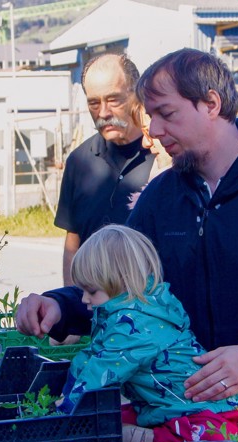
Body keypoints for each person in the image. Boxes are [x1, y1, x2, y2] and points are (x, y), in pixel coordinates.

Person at [18, 48, 238, 433]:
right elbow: (124, 286)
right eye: (150, 115)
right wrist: (59, 306)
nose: (153, 130)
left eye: (166, 114)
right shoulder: (161, 198)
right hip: (211, 421)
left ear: (211, 103)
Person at [60, 225, 238, 442]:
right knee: (109, 417)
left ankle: (144, 441)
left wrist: (66, 409)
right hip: (166, 407)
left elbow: (102, 370)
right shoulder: (127, 310)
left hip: (208, 416)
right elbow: (94, 353)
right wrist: (72, 381)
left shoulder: (136, 324)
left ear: (122, 281)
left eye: (92, 291)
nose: (85, 299)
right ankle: (144, 435)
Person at [55, 53, 162, 287]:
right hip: (93, 311)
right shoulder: (78, 162)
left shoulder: (163, 156)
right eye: (94, 103)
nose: (103, 113)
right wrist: (71, 299)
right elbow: (73, 240)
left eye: (113, 100)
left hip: (150, 312)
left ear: (138, 96)